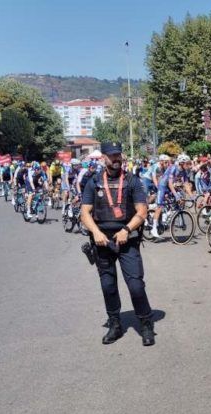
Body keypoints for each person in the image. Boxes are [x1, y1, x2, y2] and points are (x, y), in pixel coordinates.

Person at [80, 142, 155, 346]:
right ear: (103, 158)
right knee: (108, 286)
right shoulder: (93, 181)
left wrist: (126, 230)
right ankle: (115, 324)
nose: (116, 159)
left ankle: (146, 323)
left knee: (136, 285)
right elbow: (84, 213)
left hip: (127, 240)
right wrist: (95, 232)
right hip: (102, 242)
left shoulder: (132, 181)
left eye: (118, 155)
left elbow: (141, 212)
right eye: (111, 156)